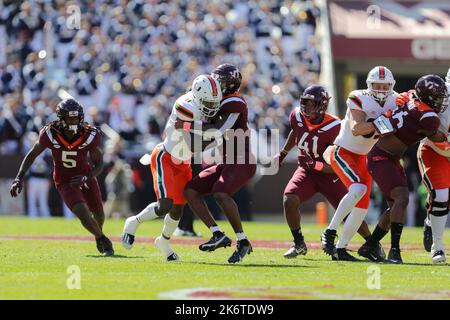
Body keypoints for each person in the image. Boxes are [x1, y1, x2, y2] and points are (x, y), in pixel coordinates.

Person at [122, 74, 222, 261]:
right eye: (208, 103)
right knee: (164, 206)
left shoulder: (203, 106)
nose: (212, 107)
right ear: (198, 97)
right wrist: (218, 133)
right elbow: (194, 141)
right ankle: (133, 222)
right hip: (165, 157)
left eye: (213, 102)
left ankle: (164, 242)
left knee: (178, 209)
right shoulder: (185, 106)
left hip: (184, 162)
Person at [275, 85, 376, 258]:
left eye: (311, 103)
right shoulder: (297, 115)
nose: (306, 107)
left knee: (349, 213)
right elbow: (296, 132)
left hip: (331, 175)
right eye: (304, 102)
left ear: (322, 105)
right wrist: (283, 153)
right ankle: (299, 243)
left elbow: (337, 161)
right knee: (289, 199)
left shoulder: (335, 126)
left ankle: (372, 243)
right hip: (306, 172)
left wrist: (315, 164)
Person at [359, 74, 449, 264]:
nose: (442, 101)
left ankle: (370, 245)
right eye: (438, 97)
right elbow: (438, 137)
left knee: (396, 204)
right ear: (428, 97)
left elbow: (408, 96)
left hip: (389, 157)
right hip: (381, 157)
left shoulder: (410, 96)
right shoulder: (429, 118)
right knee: (401, 199)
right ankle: (394, 251)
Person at [10, 98, 114, 256]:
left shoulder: (89, 134)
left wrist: (87, 177)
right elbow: (32, 155)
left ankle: (98, 235)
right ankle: (103, 240)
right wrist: (19, 177)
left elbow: (99, 164)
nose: (74, 121)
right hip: (64, 180)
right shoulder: (50, 133)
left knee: (98, 213)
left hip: (85, 176)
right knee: (81, 210)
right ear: (61, 118)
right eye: (70, 118)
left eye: (77, 117)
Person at [321, 66, 398, 261]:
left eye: (385, 85)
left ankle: (341, 249)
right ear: (369, 85)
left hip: (365, 156)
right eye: (377, 85)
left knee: (361, 207)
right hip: (344, 151)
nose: (381, 89)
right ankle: (330, 232)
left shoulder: (396, 99)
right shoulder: (358, 96)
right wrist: (384, 122)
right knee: (358, 189)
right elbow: (357, 129)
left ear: (392, 86)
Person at [184, 63, 257, 264]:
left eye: (220, 81)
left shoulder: (235, 102)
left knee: (220, 192)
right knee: (190, 190)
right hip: (227, 161)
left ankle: (242, 241)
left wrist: (190, 126)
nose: (216, 84)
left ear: (231, 84)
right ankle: (217, 234)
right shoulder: (218, 99)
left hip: (242, 160)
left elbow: (218, 129)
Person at [396, 71, 450, 263]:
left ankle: (430, 221)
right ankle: (438, 245)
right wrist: (402, 97)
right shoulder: (442, 96)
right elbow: (416, 94)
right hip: (435, 151)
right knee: (441, 195)